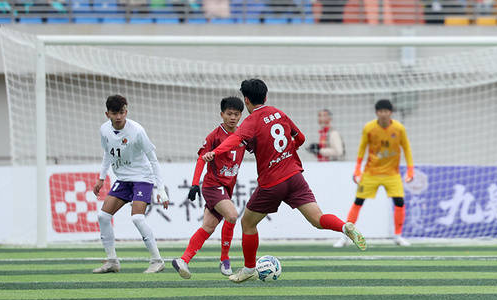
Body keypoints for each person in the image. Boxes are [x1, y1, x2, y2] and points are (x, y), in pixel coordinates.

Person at [201, 79, 366, 282]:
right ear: (266, 97)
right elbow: (301, 138)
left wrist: (215, 152)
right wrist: (286, 151)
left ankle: (249, 268)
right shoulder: (279, 113)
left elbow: (234, 140)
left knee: (247, 223)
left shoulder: (250, 122)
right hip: (295, 176)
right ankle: (344, 227)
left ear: (246, 100)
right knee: (318, 219)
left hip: (272, 182)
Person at [92, 95, 170, 274]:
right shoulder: (104, 130)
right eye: (115, 113)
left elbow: (153, 160)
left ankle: (157, 260)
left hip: (142, 178)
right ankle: (112, 261)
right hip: (123, 180)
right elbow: (107, 153)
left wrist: (161, 189)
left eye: (122, 112)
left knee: (137, 218)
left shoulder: (137, 131)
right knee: (103, 216)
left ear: (126, 111)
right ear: (107, 114)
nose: (119, 117)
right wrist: (101, 178)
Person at [172, 96, 248, 279]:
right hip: (213, 185)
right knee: (232, 215)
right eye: (229, 114)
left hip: (227, 188)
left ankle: (183, 260)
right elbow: (201, 159)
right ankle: (225, 259)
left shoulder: (243, 136)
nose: (232, 117)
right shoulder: (214, 136)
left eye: (236, 114)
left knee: (208, 226)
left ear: (241, 116)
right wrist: (194, 184)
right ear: (222, 114)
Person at [334, 99, 414, 248]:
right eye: (380, 111)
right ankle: (345, 237)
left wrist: (410, 169)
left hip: (392, 174)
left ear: (391, 113)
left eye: (386, 111)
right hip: (371, 173)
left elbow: (407, 149)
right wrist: (357, 169)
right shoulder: (369, 128)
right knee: (358, 202)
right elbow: (362, 148)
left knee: (399, 202)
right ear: (377, 113)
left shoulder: (399, 128)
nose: (383, 114)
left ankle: (398, 236)